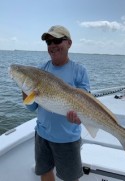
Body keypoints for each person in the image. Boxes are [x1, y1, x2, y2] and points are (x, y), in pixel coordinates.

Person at [23, 25, 90, 181]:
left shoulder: (80, 71)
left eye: (57, 40)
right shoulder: (41, 71)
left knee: (70, 178)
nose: (52, 45)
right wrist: (24, 88)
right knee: (44, 171)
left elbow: (86, 103)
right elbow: (31, 107)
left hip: (67, 139)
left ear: (69, 43)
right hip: (42, 135)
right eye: (48, 42)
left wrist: (81, 117)